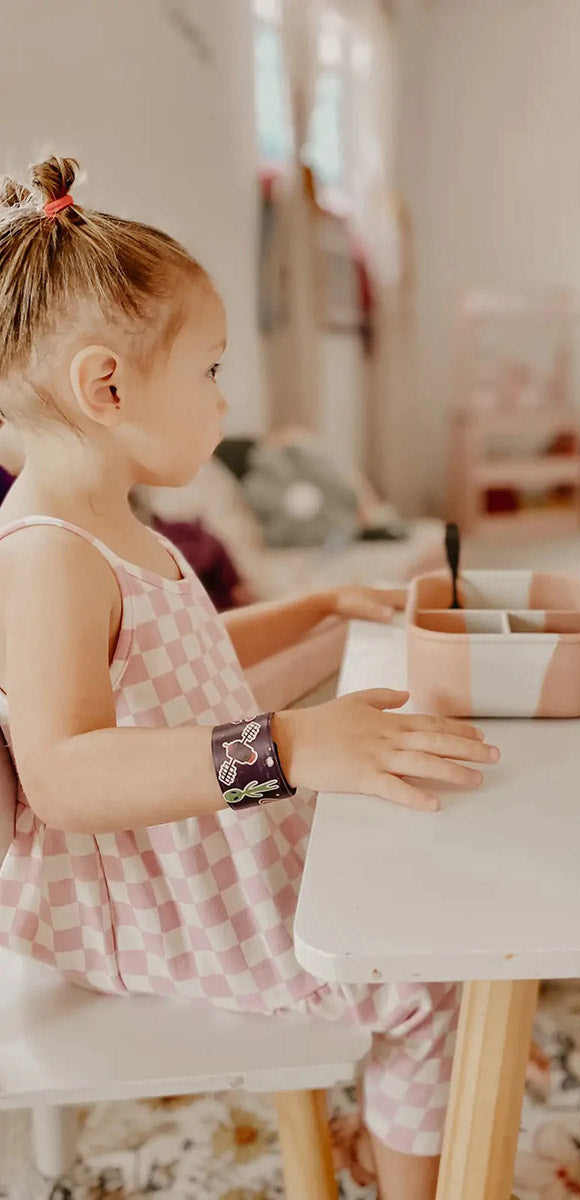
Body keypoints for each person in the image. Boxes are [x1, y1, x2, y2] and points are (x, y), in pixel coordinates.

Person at [0, 156, 499, 1199]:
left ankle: (403, 1125)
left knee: (435, 863)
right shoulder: (45, 555)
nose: (227, 401)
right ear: (109, 387)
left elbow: (190, 656)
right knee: (427, 970)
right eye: (214, 370)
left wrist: (321, 607)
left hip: (205, 842)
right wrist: (299, 743)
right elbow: (66, 779)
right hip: (148, 902)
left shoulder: (114, 518)